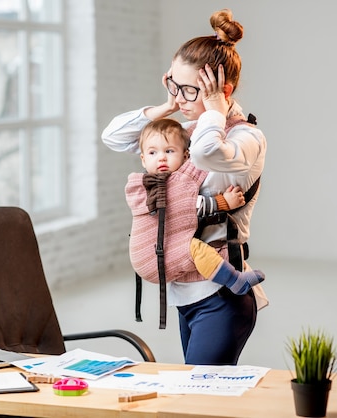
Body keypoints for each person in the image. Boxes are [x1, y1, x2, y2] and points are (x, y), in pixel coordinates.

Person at [102, 8, 266, 365]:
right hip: (184, 294)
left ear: (222, 91)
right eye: (173, 84)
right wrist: (167, 105)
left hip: (220, 294)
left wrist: (213, 109)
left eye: (189, 90)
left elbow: (207, 152)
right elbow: (113, 136)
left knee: (201, 394)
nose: (181, 99)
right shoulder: (188, 131)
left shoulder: (245, 138)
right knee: (199, 397)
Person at [126, 117, 264, 296]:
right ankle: (234, 281)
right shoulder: (145, 185)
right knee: (197, 250)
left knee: (197, 249)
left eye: (169, 151)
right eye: (152, 153)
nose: (161, 158)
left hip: (157, 253)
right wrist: (223, 202)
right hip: (148, 256)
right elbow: (185, 206)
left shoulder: (170, 182)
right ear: (143, 160)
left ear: (185, 156)